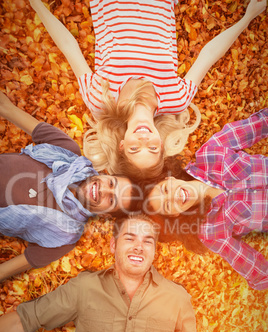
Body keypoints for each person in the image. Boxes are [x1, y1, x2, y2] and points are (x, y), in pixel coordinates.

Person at [28, 0, 266, 179]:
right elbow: (209, 55)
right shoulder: (176, 99)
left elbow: (69, 47)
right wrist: (248, 17)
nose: (143, 138)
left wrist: (36, 5)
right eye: (152, 147)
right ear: (161, 144)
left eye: (135, 148)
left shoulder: (100, 100)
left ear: (122, 144)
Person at [0, 214, 219, 332]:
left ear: (154, 251)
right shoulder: (85, 288)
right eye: (130, 238)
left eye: (148, 241)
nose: (139, 247)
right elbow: (26, 319)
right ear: (114, 245)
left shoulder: (176, 299)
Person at [0, 92, 139, 281]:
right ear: (107, 174)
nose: (103, 190)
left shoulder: (64, 236)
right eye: (112, 184)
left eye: (111, 199)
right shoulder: (66, 151)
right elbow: (6, 108)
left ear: (106, 214)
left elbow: (6, 270)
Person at [143, 109, 268, 291]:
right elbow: (257, 272)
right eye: (167, 204)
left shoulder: (211, 152)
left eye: (165, 189)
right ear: (175, 214)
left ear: (169, 178)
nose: (173, 195)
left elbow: (259, 125)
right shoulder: (210, 231)